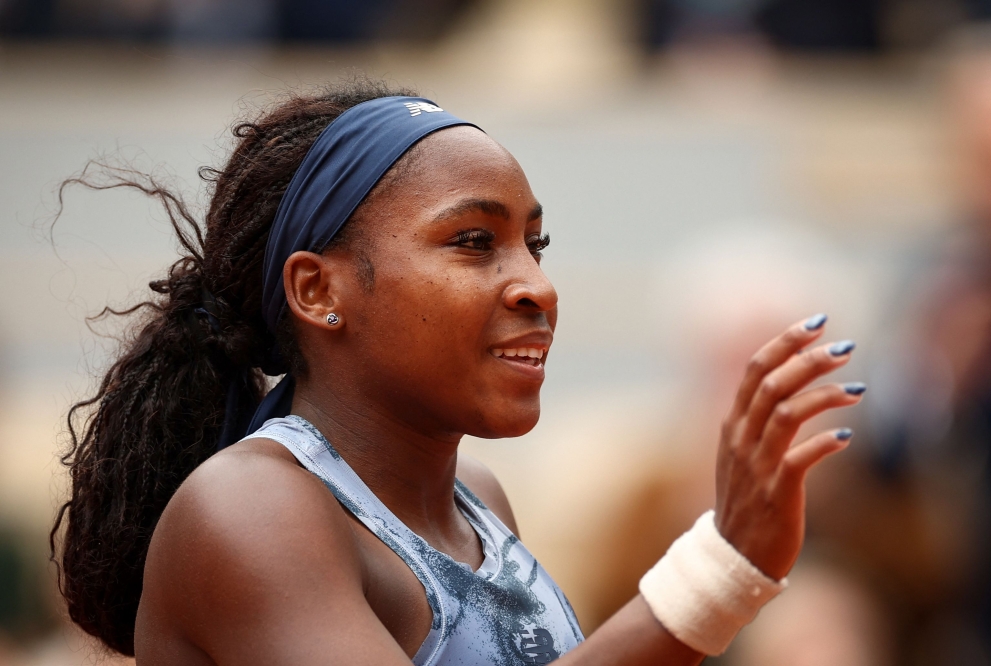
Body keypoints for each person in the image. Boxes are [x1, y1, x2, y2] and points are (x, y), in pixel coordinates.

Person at [50, 78, 865, 665]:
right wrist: (722, 571)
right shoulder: (250, 509)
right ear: (318, 289)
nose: (536, 286)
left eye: (534, 245)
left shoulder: (481, 499)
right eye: (475, 242)